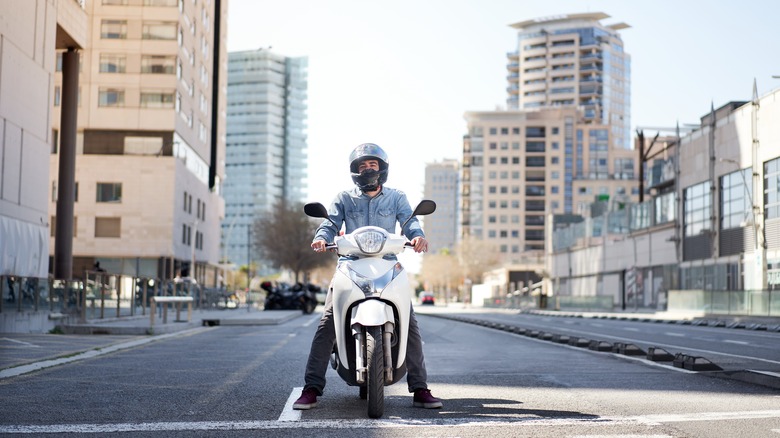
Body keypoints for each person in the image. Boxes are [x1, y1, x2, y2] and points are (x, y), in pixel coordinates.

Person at [293, 143, 442, 410]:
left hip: (387, 265)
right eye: (362, 166)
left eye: (372, 165)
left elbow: (410, 220)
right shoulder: (344, 198)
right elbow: (330, 223)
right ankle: (311, 388)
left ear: (382, 168)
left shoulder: (396, 197)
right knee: (328, 325)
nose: (367, 170)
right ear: (354, 171)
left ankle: (420, 388)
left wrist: (417, 236)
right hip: (350, 265)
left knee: (409, 324)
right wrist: (321, 238)